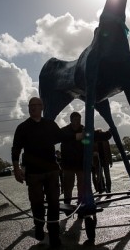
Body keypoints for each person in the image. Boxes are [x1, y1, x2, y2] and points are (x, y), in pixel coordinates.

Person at [11, 97, 79, 248]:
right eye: (31, 105)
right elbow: (16, 148)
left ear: (42, 107)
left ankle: (54, 236)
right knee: (37, 203)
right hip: (34, 174)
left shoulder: (50, 125)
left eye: (36, 105)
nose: (33, 108)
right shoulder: (22, 128)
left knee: (54, 203)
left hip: (52, 171)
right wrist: (16, 168)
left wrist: (77, 135)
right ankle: (39, 225)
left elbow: (62, 137)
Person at [60, 112, 112, 204]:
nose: (77, 122)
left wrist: (109, 133)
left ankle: (82, 204)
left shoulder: (84, 130)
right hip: (68, 165)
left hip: (81, 164)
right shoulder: (64, 131)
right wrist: (76, 137)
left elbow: (95, 136)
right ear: (71, 120)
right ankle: (67, 205)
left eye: (79, 120)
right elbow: (59, 137)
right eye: (75, 120)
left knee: (82, 186)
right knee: (68, 186)